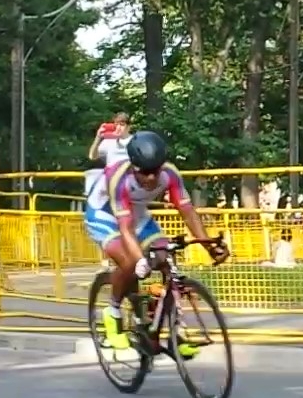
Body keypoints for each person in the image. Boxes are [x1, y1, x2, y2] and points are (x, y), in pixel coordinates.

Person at [82, 129, 227, 350]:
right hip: (105, 215)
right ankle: (112, 312)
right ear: (133, 167)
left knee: (165, 257)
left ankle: (171, 328)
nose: (151, 178)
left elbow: (187, 211)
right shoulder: (119, 179)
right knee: (130, 262)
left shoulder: (170, 174)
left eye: (155, 172)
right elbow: (126, 228)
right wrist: (139, 260)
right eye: (145, 173)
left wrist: (208, 245)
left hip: (137, 214)